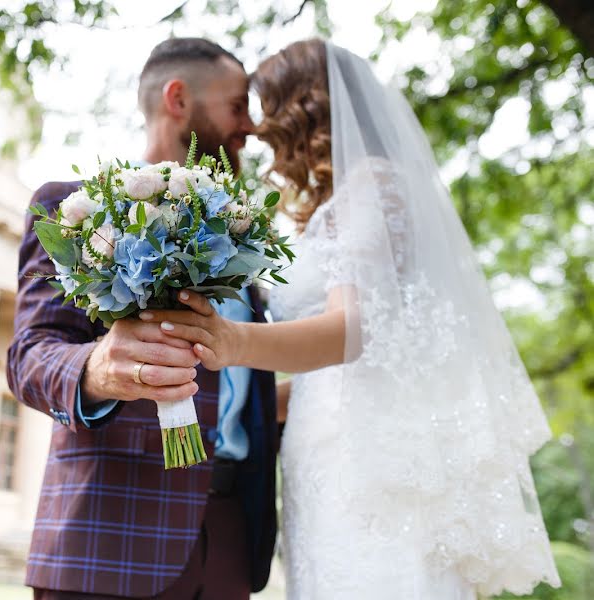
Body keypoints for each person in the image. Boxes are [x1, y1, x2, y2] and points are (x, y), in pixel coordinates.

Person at [144, 39, 561, 599]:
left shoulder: (373, 188)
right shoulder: (342, 202)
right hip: (325, 452)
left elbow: (352, 331)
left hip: (364, 464)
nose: (256, 130)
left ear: (302, 111)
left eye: (264, 111)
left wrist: (232, 340)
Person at [7, 37, 278, 599]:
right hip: (109, 537)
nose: (249, 128)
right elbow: (29, 356)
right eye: (236, 106)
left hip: (229, 540)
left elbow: (236, 389)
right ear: (178, 99)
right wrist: (98, 369)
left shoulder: (242, 242)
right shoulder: (73, 212)